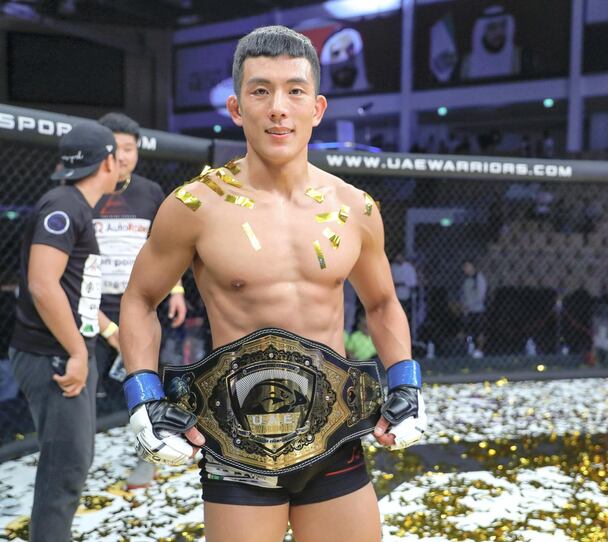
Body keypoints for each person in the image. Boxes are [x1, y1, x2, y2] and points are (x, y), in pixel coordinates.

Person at [119, 26, 427, 542]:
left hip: (335, 435)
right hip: (236, 444)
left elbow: (382, 302)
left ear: (317, 107)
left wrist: (406, 382)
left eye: (295, 90)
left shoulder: (355, 208)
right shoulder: (194, 206)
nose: (278, 107)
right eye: (261, 90)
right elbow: (140, 299)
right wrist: (143, 396)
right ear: (238, 108)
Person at [9, 122, 120, 542]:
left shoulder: (70, 203)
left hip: (62, 350)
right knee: (66, 469)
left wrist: (107, 330)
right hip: (53, 356)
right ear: (108, 160)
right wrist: (77, 351)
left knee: (71, 464)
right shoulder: (64, 205)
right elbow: (43, 282)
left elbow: (74, 289)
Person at [93, 112, 188, 488]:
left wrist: (177, 290)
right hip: (91, 307)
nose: (123, 155)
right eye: (115, 148)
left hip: (141, 300)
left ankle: (146, 459)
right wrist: (106, 326)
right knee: (83, 386)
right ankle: (77, 463)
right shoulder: (85, 191)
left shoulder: (149, 192)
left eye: (129, 148)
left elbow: (166, 247)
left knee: (147, 387)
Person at [460, 260, 488, 358]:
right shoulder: (466, 280)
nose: (465, 269)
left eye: (467, 266)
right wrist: (464, 305)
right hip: (468, 311)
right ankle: (470, 348)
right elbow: (464, 294)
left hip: (478, 310)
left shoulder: (479, 278)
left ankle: (480, 350)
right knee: (468, 330)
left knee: (479, 331)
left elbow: (481, 295)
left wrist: (470, 304)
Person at [391, 252, 418, 325]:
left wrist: (402, 283)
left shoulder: (409, 267)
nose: (398, 260)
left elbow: (413, 282)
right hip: (395, 296)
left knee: (405, 315)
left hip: (406, 296)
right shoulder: (393, 267)